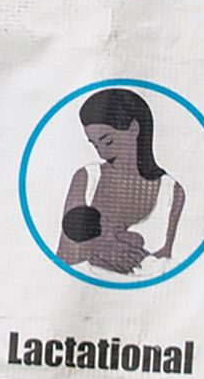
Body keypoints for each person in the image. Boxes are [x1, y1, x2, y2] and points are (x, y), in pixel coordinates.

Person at [55, 85, 186, 278]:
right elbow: (64, 255)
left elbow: (167, 260)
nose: (101, 152)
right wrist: (100, 248)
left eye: (107, 141)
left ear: (134, 128)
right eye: (94, 144)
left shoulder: (172, 192)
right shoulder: (87, 179)